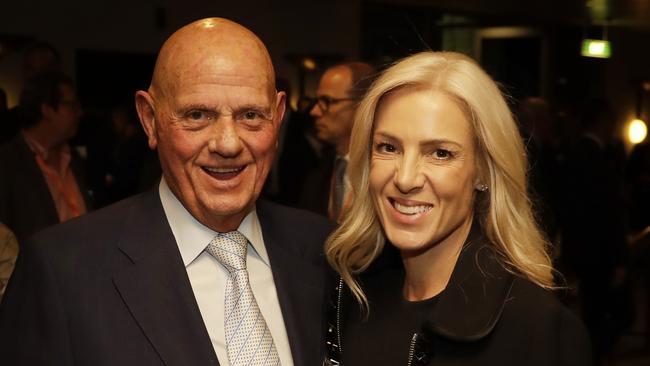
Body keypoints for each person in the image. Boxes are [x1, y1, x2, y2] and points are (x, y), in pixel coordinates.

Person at [0, 18, 333, 366]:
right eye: (197, 115)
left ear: (278, 118)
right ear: (149, 119)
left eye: (250, 115)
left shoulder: (325, 251)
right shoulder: (62, 271)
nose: (228, 143)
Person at [324, 52, 592, 366]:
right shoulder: (350, 299)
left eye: (440, 153)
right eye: (389, 147)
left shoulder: (538, 327)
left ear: (482, 171)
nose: (406, 178)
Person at [0, 71, 91, 243]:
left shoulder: (74, 159)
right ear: (47, 110)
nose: (79, 113)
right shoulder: (8, 163)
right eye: (72, 106)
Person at [299, 62, 375, 221]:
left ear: (362, 107)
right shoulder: (316, 170)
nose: (314, 111)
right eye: (317, 101)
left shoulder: (383, 175)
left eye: (327, 101)